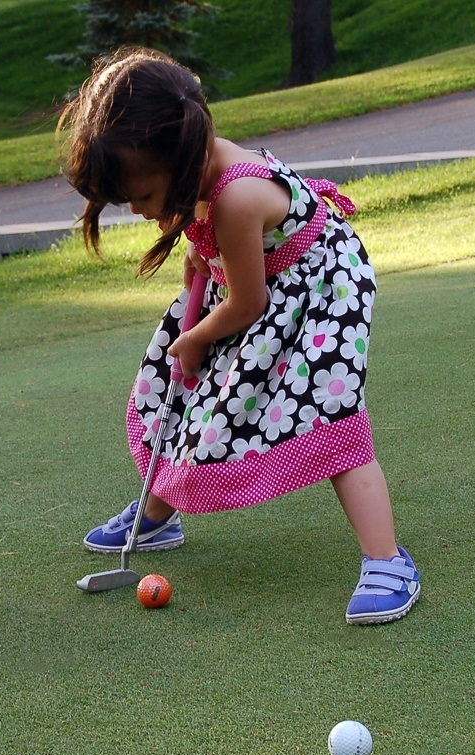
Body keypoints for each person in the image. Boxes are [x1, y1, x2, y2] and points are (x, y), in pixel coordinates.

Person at [58, 46, 419, 625]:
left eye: (145, 197)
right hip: (258, 291)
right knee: (186, 395)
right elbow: (210, 255)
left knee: (328, 412)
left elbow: (250, 302)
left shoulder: (235, 196)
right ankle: (157, 517)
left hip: (322, 291)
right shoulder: (193, 174)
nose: (144, 213)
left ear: (176, 158)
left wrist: (198, 337)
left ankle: (387, 561)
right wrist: (195, 289)